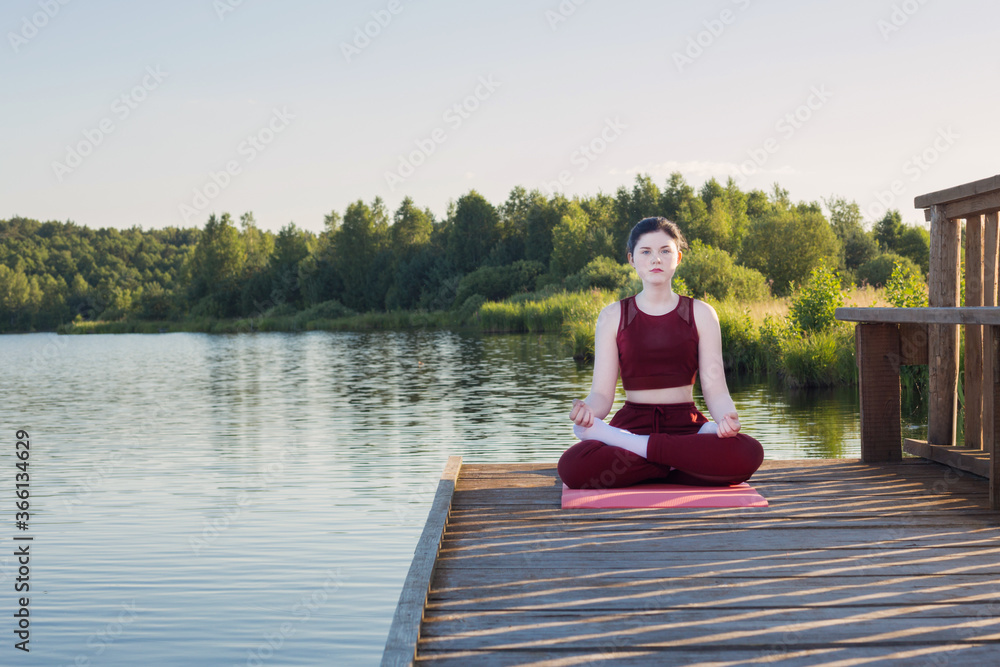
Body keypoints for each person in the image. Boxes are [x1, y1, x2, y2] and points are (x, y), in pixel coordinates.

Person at [558, 217, 764, 489]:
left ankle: (647, 458)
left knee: (749, 453)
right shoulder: (612, 316)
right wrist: (588, 411)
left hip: (687, 429)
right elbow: (602, 395)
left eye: (665, 251)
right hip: (631, 425)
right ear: (632, 259)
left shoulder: (702, 314)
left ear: (677, 257)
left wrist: (726, 418)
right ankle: (679, 465)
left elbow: (716, 390)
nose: (656, 259)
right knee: (573, 466)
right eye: (646, 252)